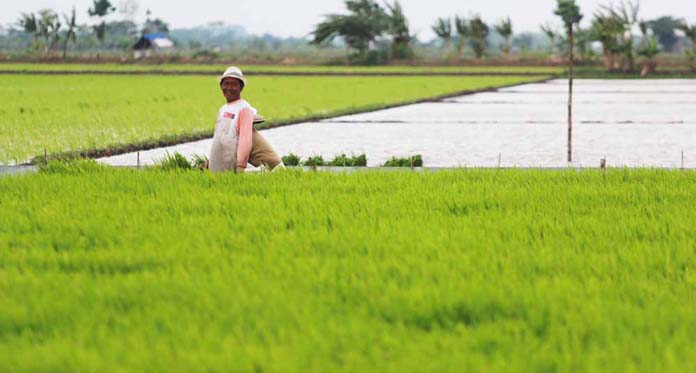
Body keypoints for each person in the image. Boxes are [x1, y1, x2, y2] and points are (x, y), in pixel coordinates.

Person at [208, 66, 283, 173]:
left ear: (241, 87)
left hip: (272, 169)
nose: (229, 88)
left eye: (234, 84)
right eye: (226, 84)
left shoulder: (244, 109)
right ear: (221, 86)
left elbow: (245, 142)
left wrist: (240, 168)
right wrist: (211, 162)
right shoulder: (223, 110)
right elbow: (220, 139)